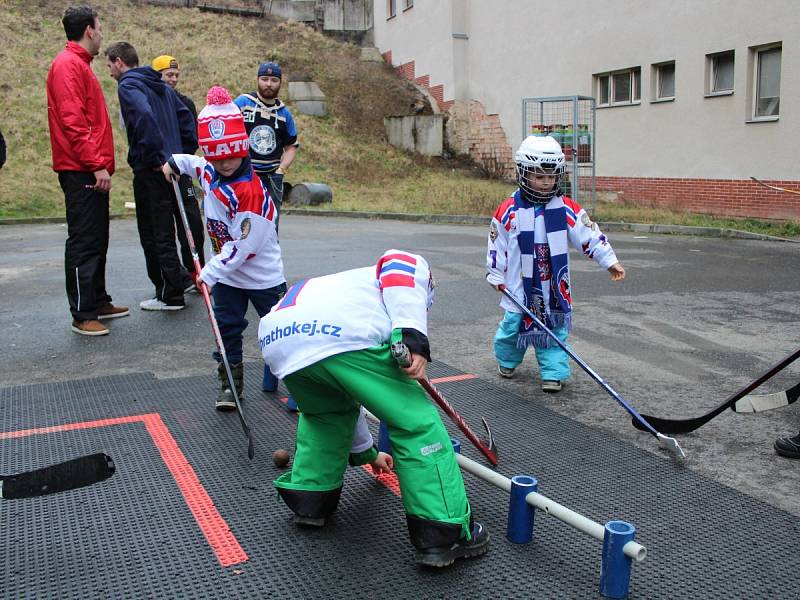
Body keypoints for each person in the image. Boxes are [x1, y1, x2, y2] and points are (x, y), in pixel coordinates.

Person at [258, 249, 489, 568]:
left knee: (326, 415)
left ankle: (310, 499)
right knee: (416, 425)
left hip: (279, 338)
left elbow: (345, 402)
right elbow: (400, 260)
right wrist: (411, 335)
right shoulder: (415, 275)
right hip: (336, 333)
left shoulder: (346, 287)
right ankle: (445, 532)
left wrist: (368, 454)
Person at [162, 86, 286, 410]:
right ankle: (230, 383)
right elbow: (193, 164)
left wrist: (209, 273)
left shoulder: (250, 193)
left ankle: (301, 382)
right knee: (225, 327)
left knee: (281, 329)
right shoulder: (210, 169)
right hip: (230, 278)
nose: (226, 163)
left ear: (243, 148)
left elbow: (243, 247)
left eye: (232, 155)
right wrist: (173, 163)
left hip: (262, 276)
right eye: (218, 156)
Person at [486, 135, 625, 392]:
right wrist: (495, 274)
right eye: (539, 177)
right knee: (511, 328)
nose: (546, 183)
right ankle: (506, 359)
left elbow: (590, 234)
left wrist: (609, 260)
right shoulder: (509, 210)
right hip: (518, 287)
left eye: (551, 177)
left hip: (553, 288)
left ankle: (553, 372)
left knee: (553, 331)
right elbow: (497, 246)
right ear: (524, 174)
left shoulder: (566, 208)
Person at [46, 5, 129, 337]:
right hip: (81, 169)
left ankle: (96, 299)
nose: (102, 34)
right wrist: (96, 165)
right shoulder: (68, 66)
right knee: (84, 239)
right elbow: (73, 122)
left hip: (87, 167)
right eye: (99, 27)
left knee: (97, 237)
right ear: (90, 31)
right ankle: (83, 314)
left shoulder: (78, 65)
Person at [105, 41, 197, 311]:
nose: (109, 71)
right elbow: (186, 120)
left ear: (119, 61)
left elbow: (143, 115)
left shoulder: (129, 85)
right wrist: (180, 156)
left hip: (151, 169)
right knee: (171, 227)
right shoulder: (161, 86)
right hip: (173, 166)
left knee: (155, 232)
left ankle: (169, 294)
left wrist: (158, 158)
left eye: (109, 65)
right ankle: (178, 281)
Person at [152, 54, 205, 286]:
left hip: (181, 173)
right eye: (168, 75)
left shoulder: (185, 102)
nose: (172, 80)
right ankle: (175, 277)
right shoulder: (151, 101)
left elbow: (192, 138)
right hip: (159, 173)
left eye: (176, 75)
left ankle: (198, 273)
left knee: (193, 224)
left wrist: (181, 162)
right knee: (164, 230)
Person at [234, 61, 299, 229]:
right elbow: (228, 133)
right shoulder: (242, 104)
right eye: (264, 79)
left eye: (273, 80)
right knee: (242, 226)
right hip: (244, 175)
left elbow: (291, 146)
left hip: (272, 178)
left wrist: (281, 169)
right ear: (257, 80)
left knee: (270, 228)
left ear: (280, 83)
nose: (269, 84)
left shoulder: (284, 114)